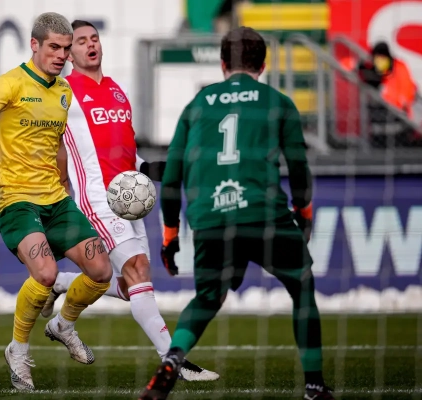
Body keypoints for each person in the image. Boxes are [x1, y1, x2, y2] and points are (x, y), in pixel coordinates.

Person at [139, 27, 334, 400]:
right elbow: (298, 167)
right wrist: (304, 212)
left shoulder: (197, 105)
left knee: (207, 298)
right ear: (263, 64)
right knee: (302, 286)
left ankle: (173, 359)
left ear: (222, 63)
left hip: (210, 217)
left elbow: (173, 176)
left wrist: (169, 236)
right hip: (264, 214)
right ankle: (313, 386)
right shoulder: (278, 102)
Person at [39, 20, 219, 382]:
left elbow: (125, 151)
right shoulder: (63, 93)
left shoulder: (117, 91)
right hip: (98, 198)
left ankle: (61, 292)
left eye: (94, 38)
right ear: (69, 53)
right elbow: (47, 140)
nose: (90, 45)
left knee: (129, 284)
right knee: (136, 267)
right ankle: (174, 361)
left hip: (130, 199)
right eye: (81, 41)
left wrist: (151, 168)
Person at [0, 12, 113, 392]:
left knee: (101, 271)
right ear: (35, 45)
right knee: (45, 274)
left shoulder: (63, 91)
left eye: (66, 49)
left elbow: (57, 144)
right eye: (54, 47)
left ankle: (63, 325)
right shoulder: (8, 84)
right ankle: (18, 349)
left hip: (55, 199)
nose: (62, 55)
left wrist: (65, 185)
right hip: (15, 199)